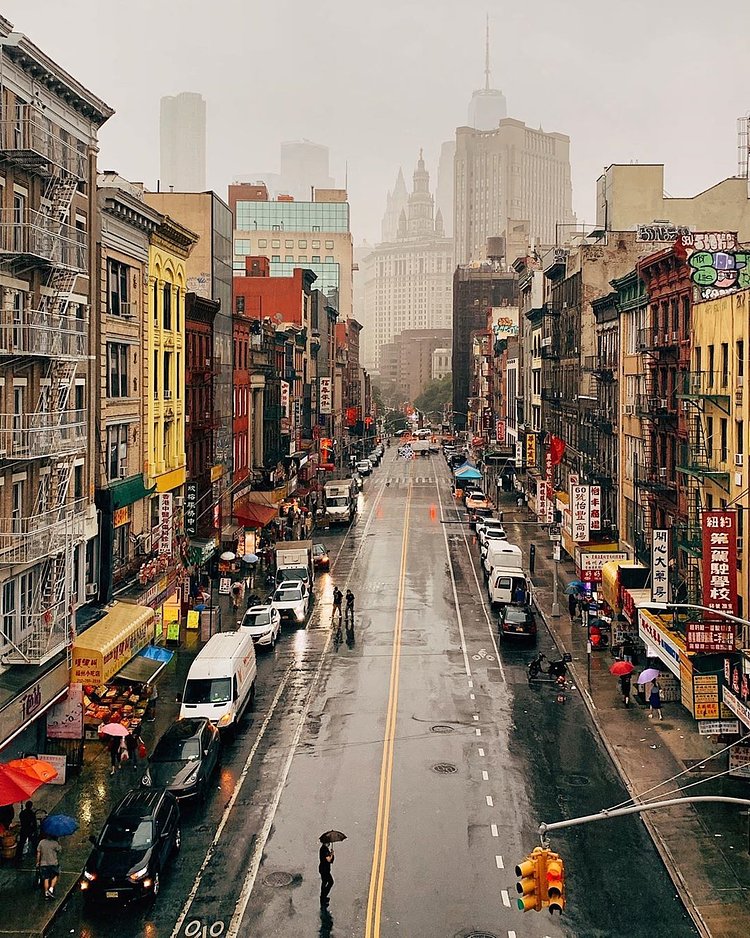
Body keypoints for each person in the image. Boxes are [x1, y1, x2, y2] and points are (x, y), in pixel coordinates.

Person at [36, 833, 61, 899]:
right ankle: (51, 889)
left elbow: (38, 853)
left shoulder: (41, 842)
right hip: (53, 863)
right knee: (55, 875)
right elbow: (59, 850)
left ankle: (46, 892)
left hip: (43, 863)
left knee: (46, 878)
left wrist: (38, 862)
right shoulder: (55, 843)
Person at [319, 840, 334, 906]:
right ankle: (323, 896)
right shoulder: (325, 850)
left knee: (324, 882)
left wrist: (330, 854)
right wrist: (332, 854)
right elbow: (329, 860)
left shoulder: (323, 849)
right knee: (330, 882)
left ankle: (323, 896)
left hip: (323, 868)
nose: (329, 843)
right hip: (325, 869)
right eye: (328, 842)